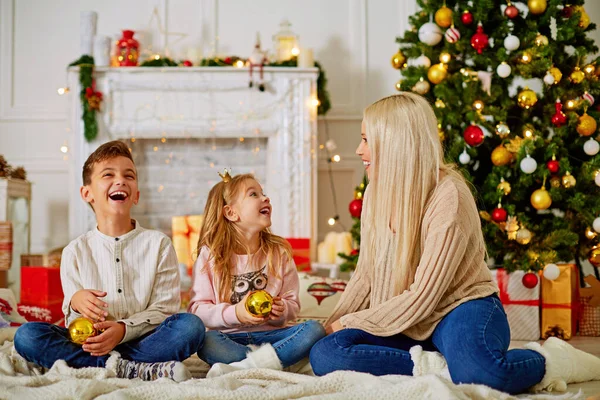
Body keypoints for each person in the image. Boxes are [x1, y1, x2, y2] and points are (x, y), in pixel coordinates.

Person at [309, 93, 600, 394]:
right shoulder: (374, 194)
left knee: (484, 374)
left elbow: (424, 295)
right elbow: (366, 276)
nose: (359, 150)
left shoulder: (449, 195)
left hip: (459, 308)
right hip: (406, 318)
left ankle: (553, 359)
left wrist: (352, 321)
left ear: (394, 144)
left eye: (367, 140)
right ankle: (439, 367)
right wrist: (331, 325)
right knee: (326, 353)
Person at [14, 140, 204, 382]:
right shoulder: (74, 251)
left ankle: (102, 367)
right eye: (108, 174)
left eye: (129, 175)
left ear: (136, 194)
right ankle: (132, 369)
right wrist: (76, 302)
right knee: (27, 336)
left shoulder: (159, 244)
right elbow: (73, 323)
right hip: (92, 345)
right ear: (87, 193)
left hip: (146, 342)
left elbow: (164, 310)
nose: (120, 180)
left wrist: (123, 329)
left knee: (190, 327)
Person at [189, 171, 325, 377]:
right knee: (206, 342)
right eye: (254, 194)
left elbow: (293, 305)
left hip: (275, 335)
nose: (265, 198)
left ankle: (243, 368)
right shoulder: (211, 256)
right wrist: (236, 313)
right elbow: (198, 309)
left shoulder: (279, 252)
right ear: (231, 213)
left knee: (314, 329)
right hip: (231, 338)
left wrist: (282, 310)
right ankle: (276, 362)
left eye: (263, 193)